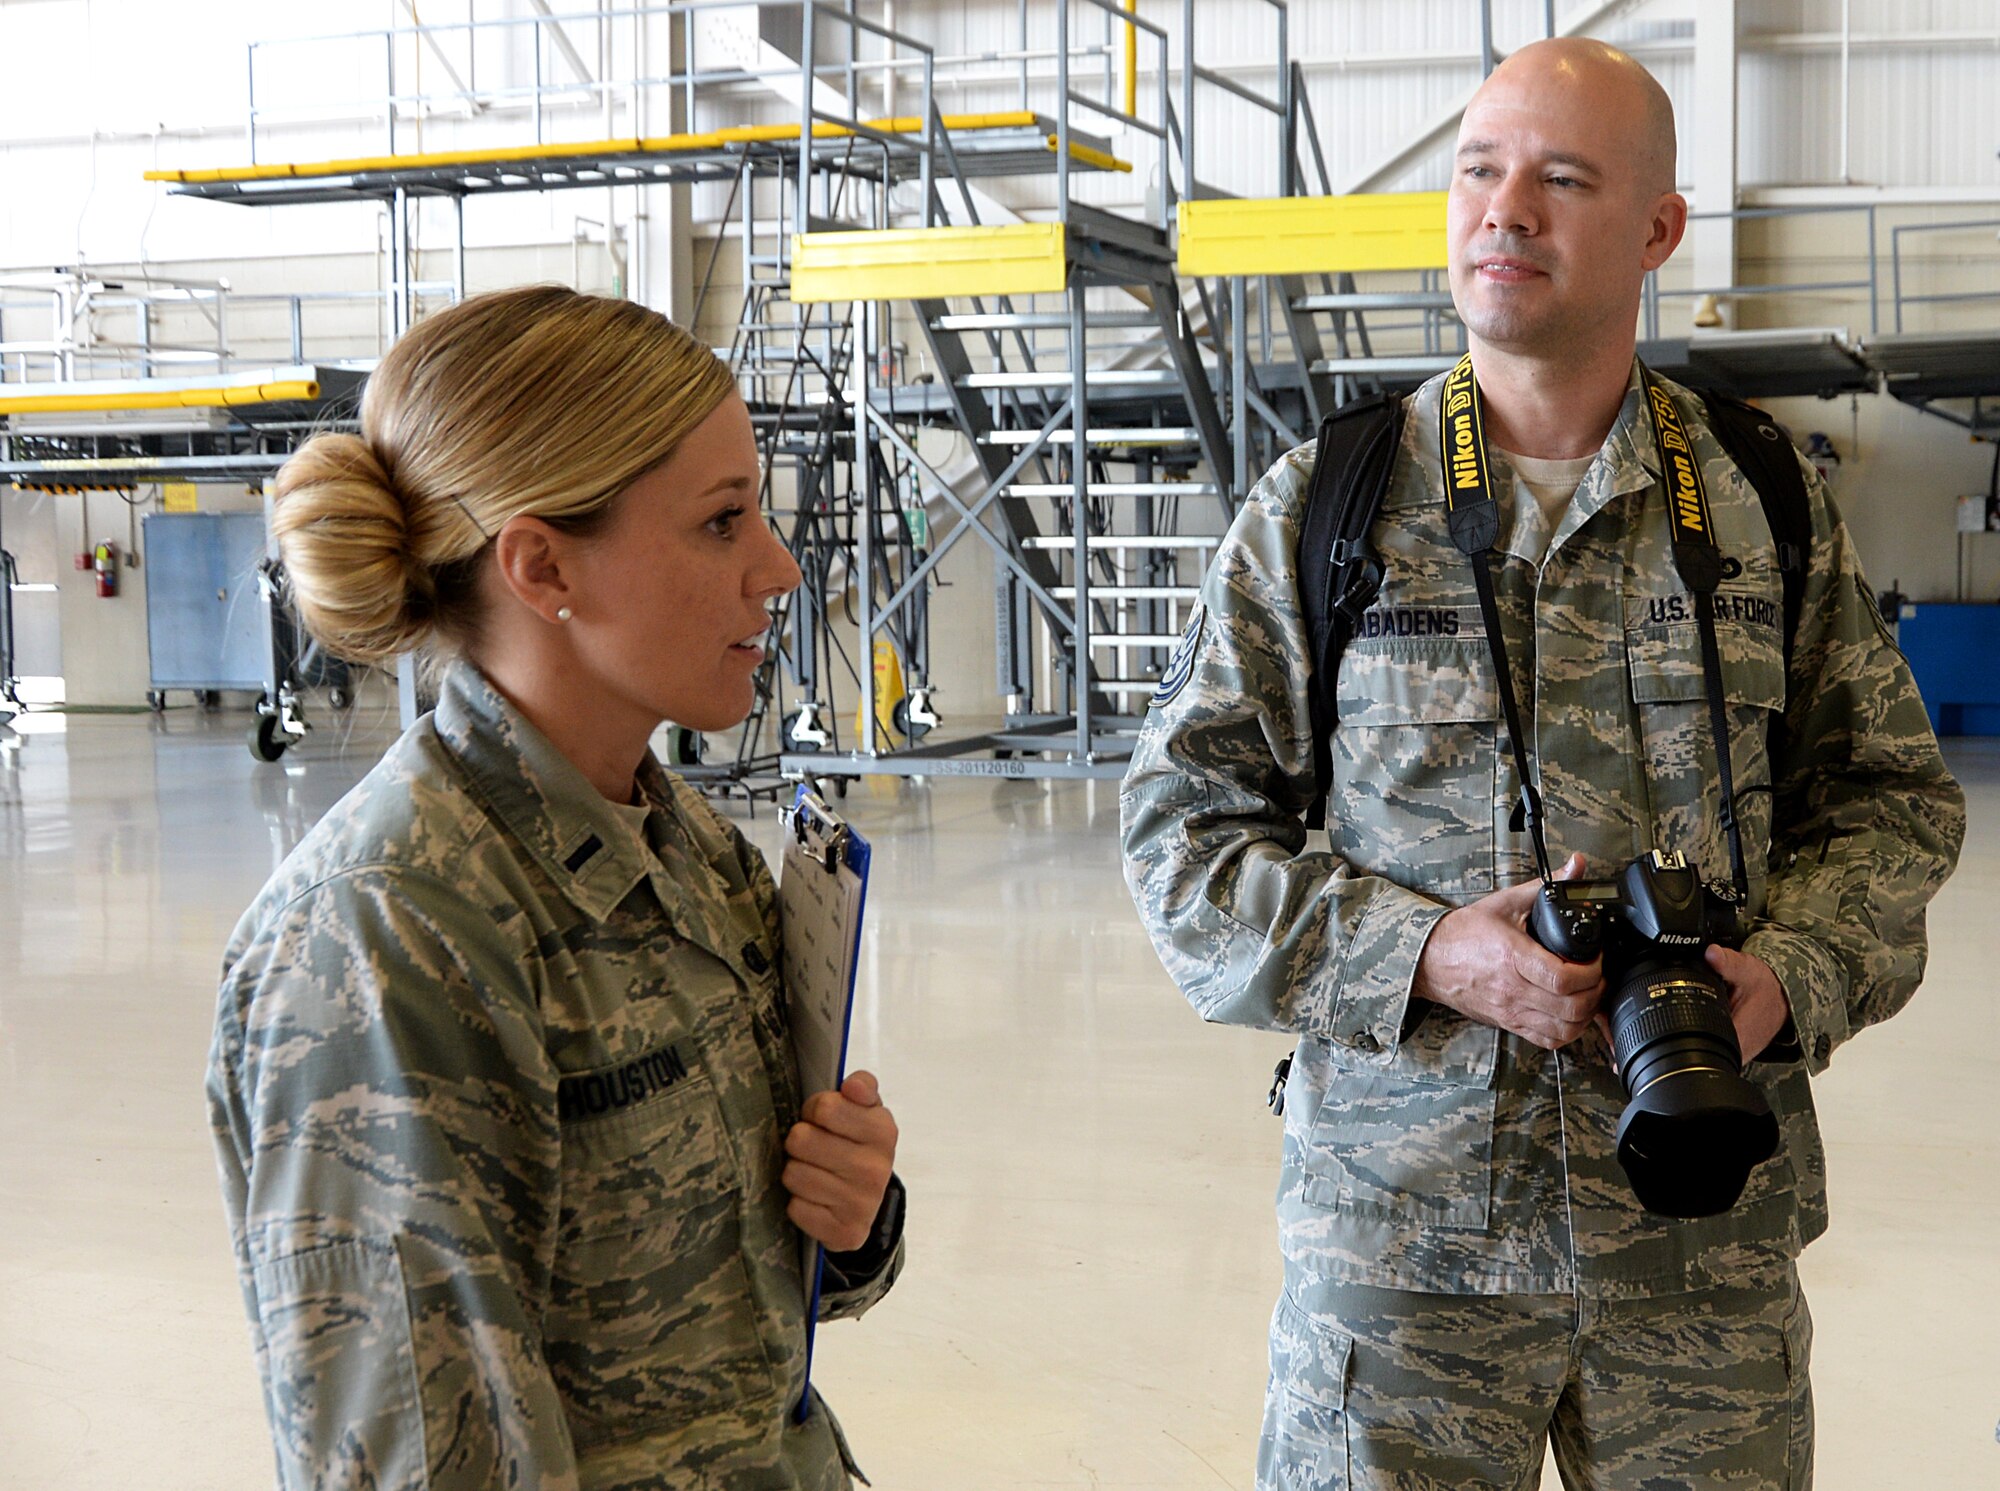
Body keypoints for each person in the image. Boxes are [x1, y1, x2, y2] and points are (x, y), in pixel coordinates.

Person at [1121, 38, 1964, 1491]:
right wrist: (1429, 952)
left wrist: (1792, 975)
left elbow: (1893, 806)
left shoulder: (1763, 503)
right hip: (1405, 1252)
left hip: (1699, 1238)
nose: (1504, 208)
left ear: (1655, 230)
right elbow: (1182, 835)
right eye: (1479, 168)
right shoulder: (1325, 506)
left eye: (1562, 178)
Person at [208, 285, 905, 1491]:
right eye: (722, 522)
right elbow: (425, 1459)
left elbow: (736, 1297)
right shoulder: (390, 937)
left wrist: (851, 1220)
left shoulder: (684, 845)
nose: (778, 567)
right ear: (541, 566)